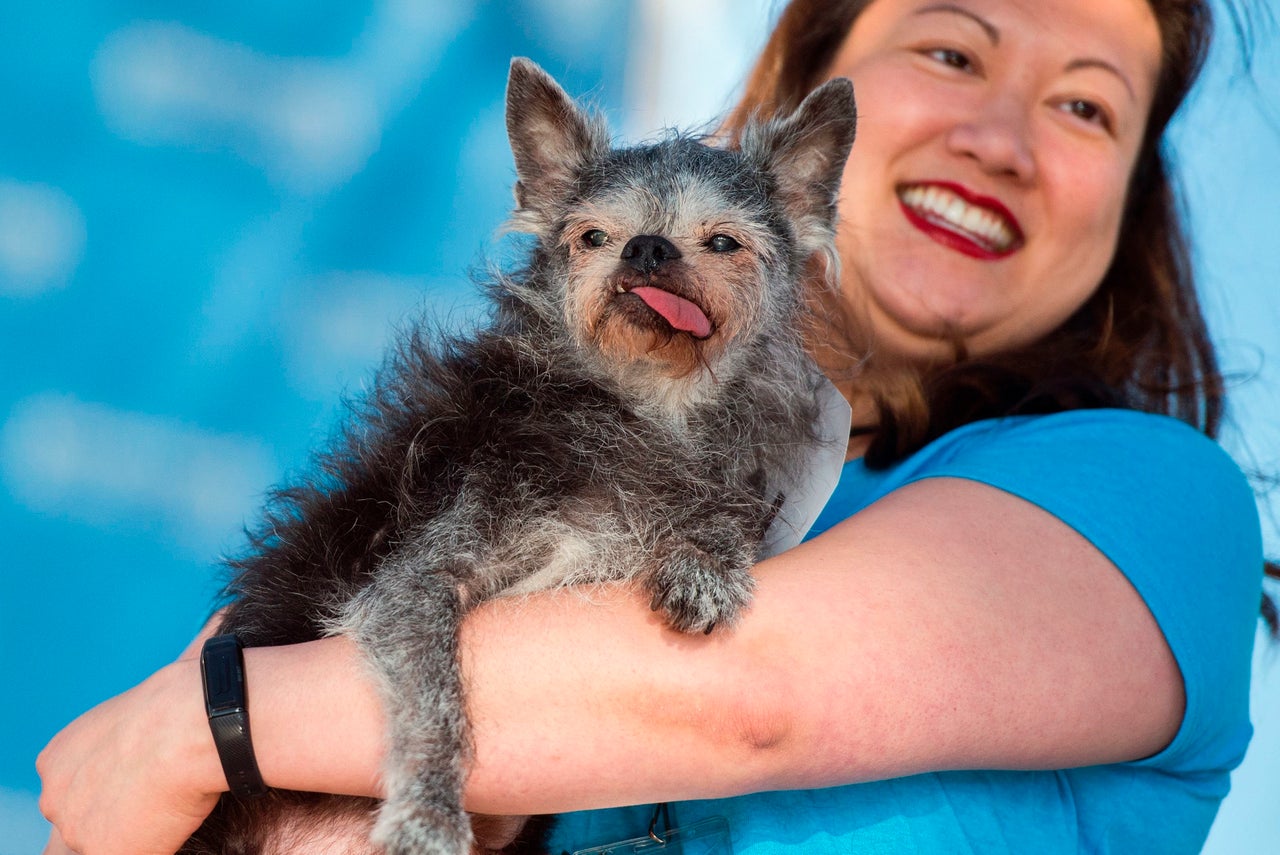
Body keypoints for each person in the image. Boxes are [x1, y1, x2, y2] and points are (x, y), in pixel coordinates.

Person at [37, 0, 1276, 852]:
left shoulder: (1148, 499)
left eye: (1084, 110)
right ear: (798, 105)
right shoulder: (521, 436)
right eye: (953, 53)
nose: (998, 138)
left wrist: (202, 725)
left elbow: (747, 693)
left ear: (1126, 207)